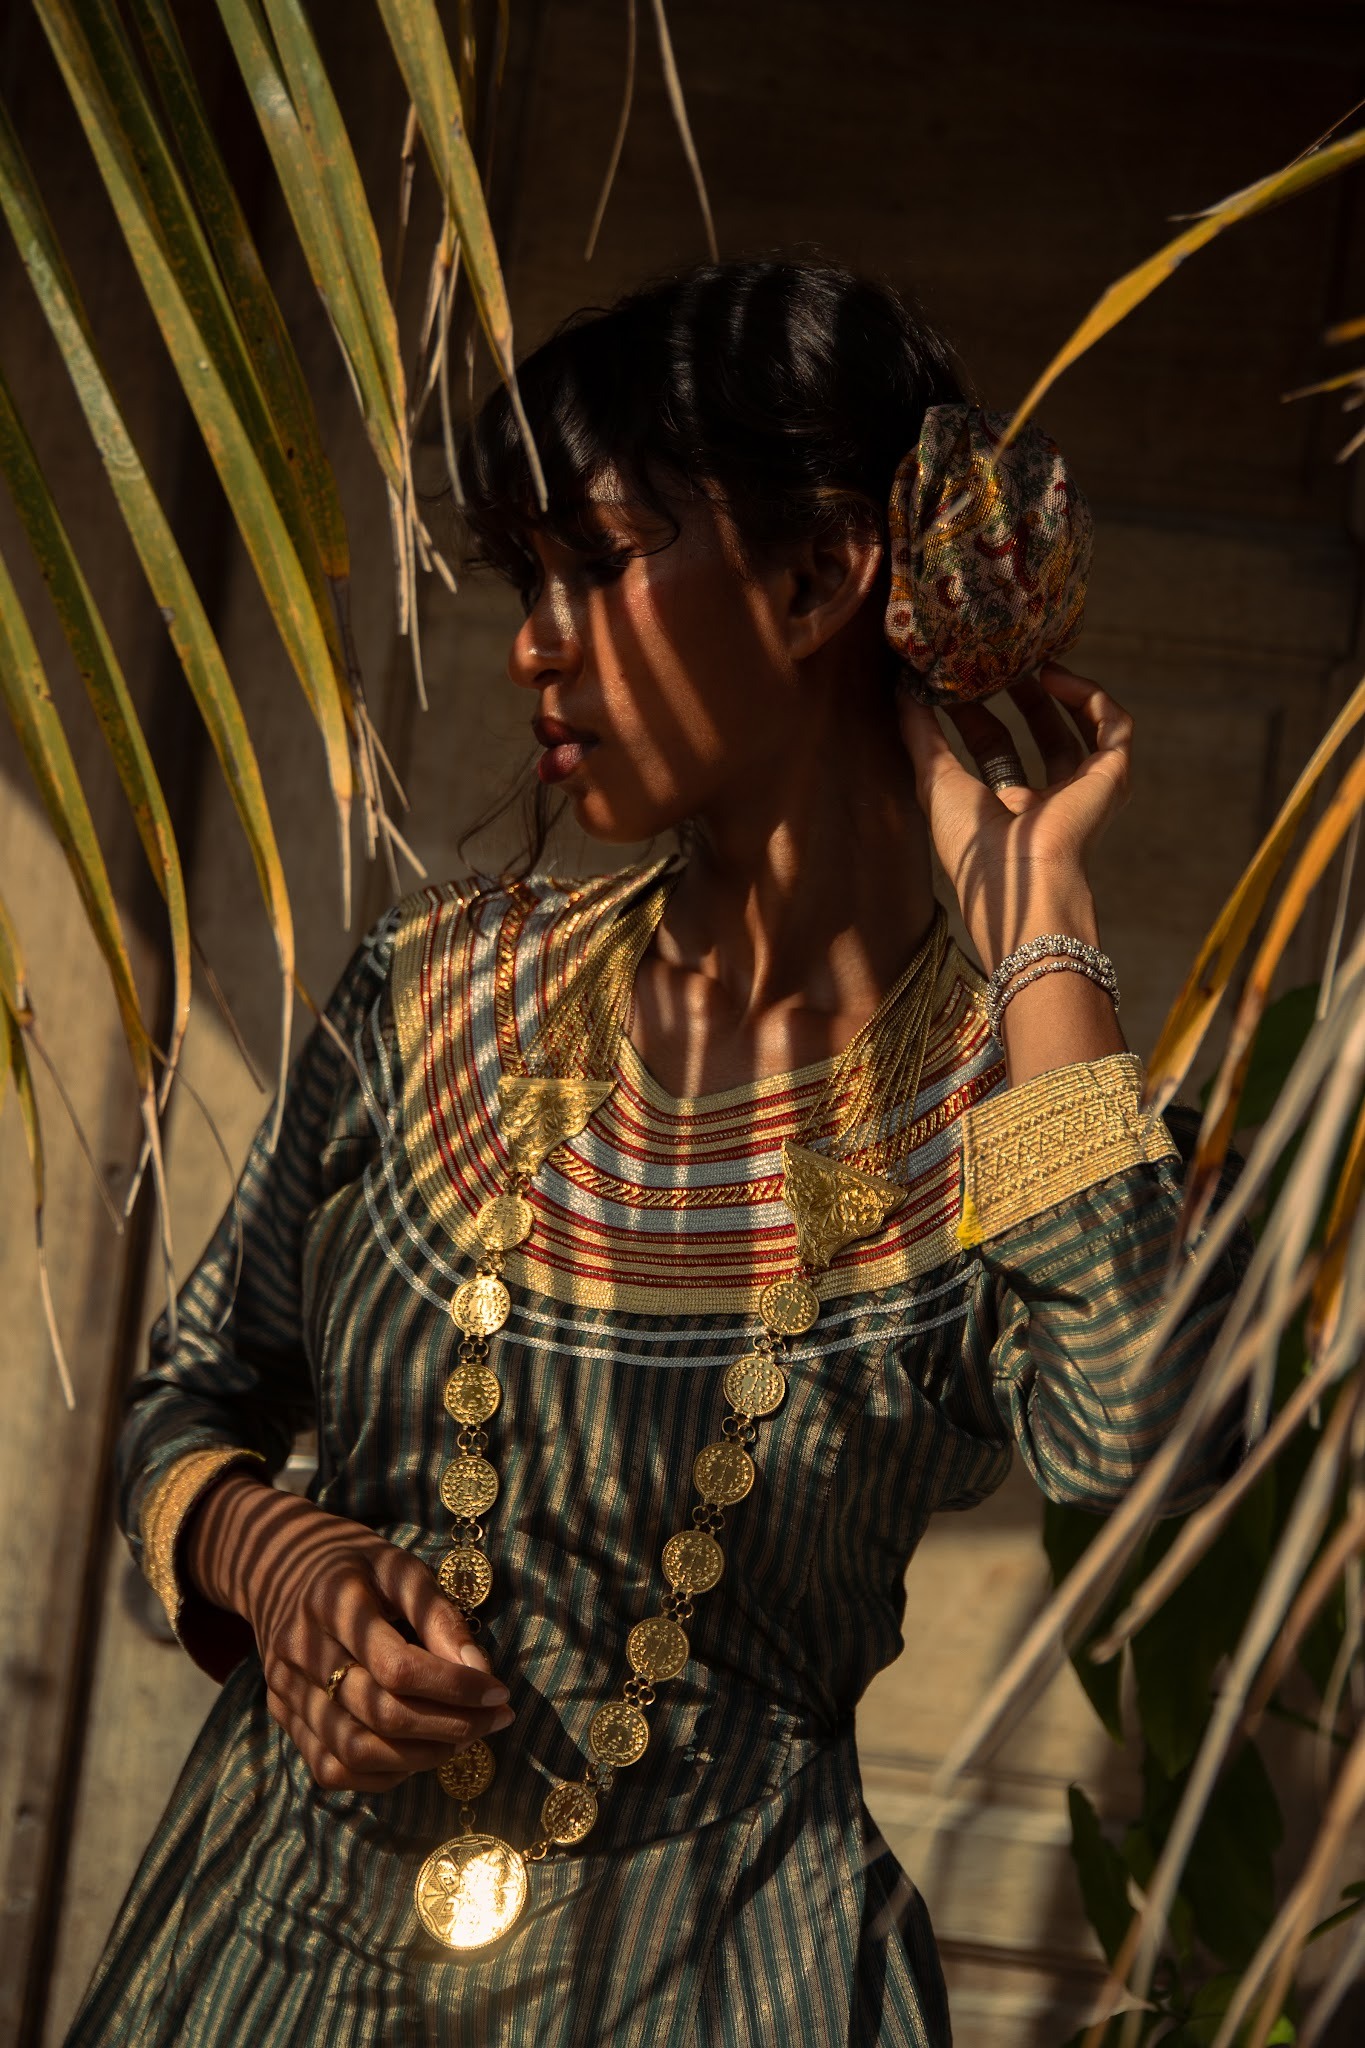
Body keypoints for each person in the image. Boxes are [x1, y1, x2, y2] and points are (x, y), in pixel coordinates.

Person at [67, 259, 1247, 2047]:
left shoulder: (1016, 1110)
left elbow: (1151, 1469)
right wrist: (282, 1568)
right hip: (269, 1964)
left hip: (726, 1986)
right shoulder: (430, 990)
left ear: (813, 575)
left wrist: (1037, 943)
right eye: (522, 578)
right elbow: (185, 1404)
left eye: (595, 564)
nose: (534, 637)